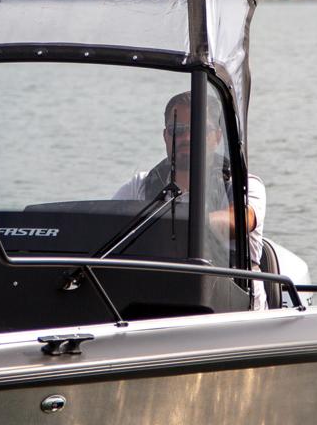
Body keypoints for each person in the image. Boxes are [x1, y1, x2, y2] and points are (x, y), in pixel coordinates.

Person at [115, 91, 269, 308]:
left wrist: (176, 226)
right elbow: (106, 228)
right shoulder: (138, 186)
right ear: (166, 137)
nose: (186, 138)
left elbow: (240, 220)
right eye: (177, 130)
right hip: (155, 309)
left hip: (237, 316)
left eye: (198, 129)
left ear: (216, 137)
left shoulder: (244, 184)